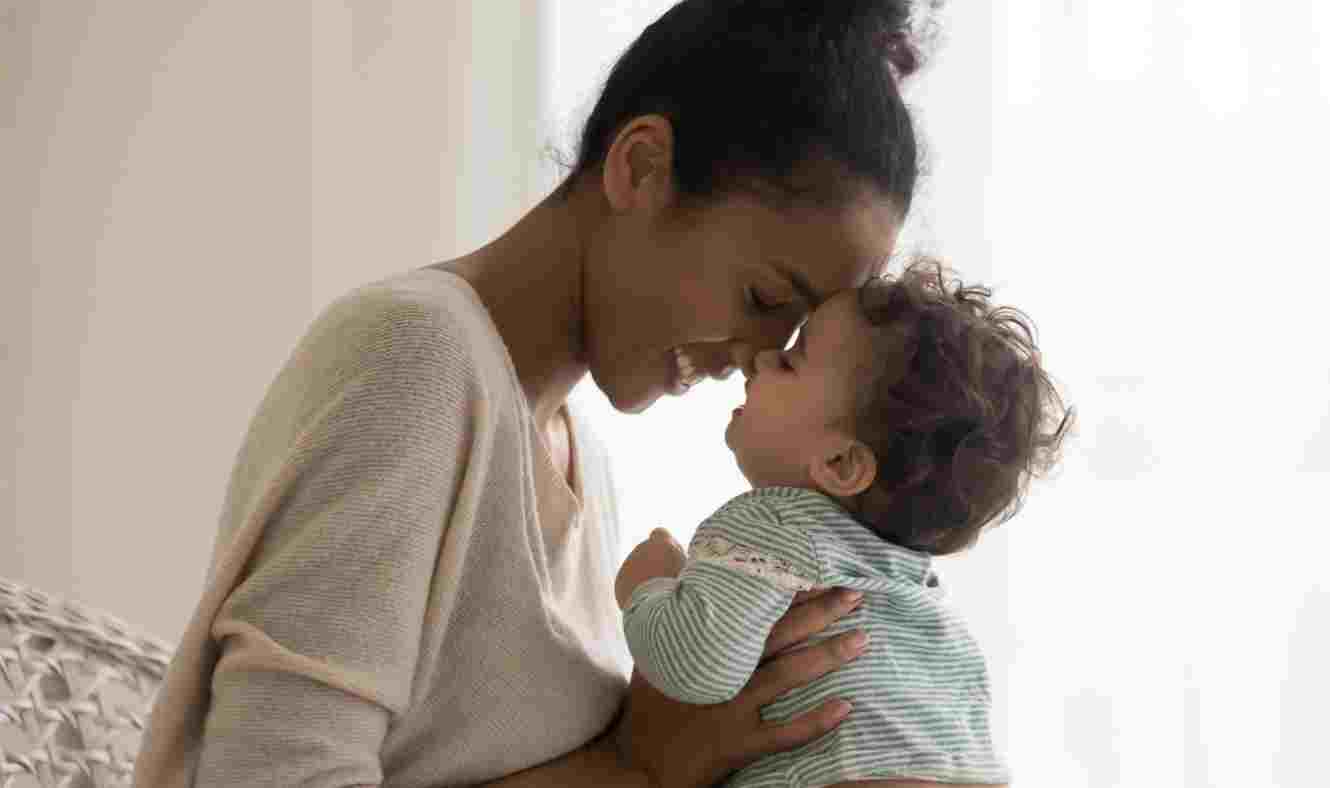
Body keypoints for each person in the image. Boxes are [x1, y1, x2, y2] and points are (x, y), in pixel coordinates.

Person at [132, 1, 977, 786]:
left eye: (796, 338)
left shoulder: (582, 461)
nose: (759, 358)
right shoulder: (415, 357)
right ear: (642, 168)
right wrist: (634, 767)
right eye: (764, 301)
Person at [617, 262, 1073, 786]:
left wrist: (647, 583)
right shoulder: (919, 602)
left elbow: (695, 663)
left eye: (790, 362)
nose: (761, 357)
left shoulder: (775, 523)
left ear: (840, 465)